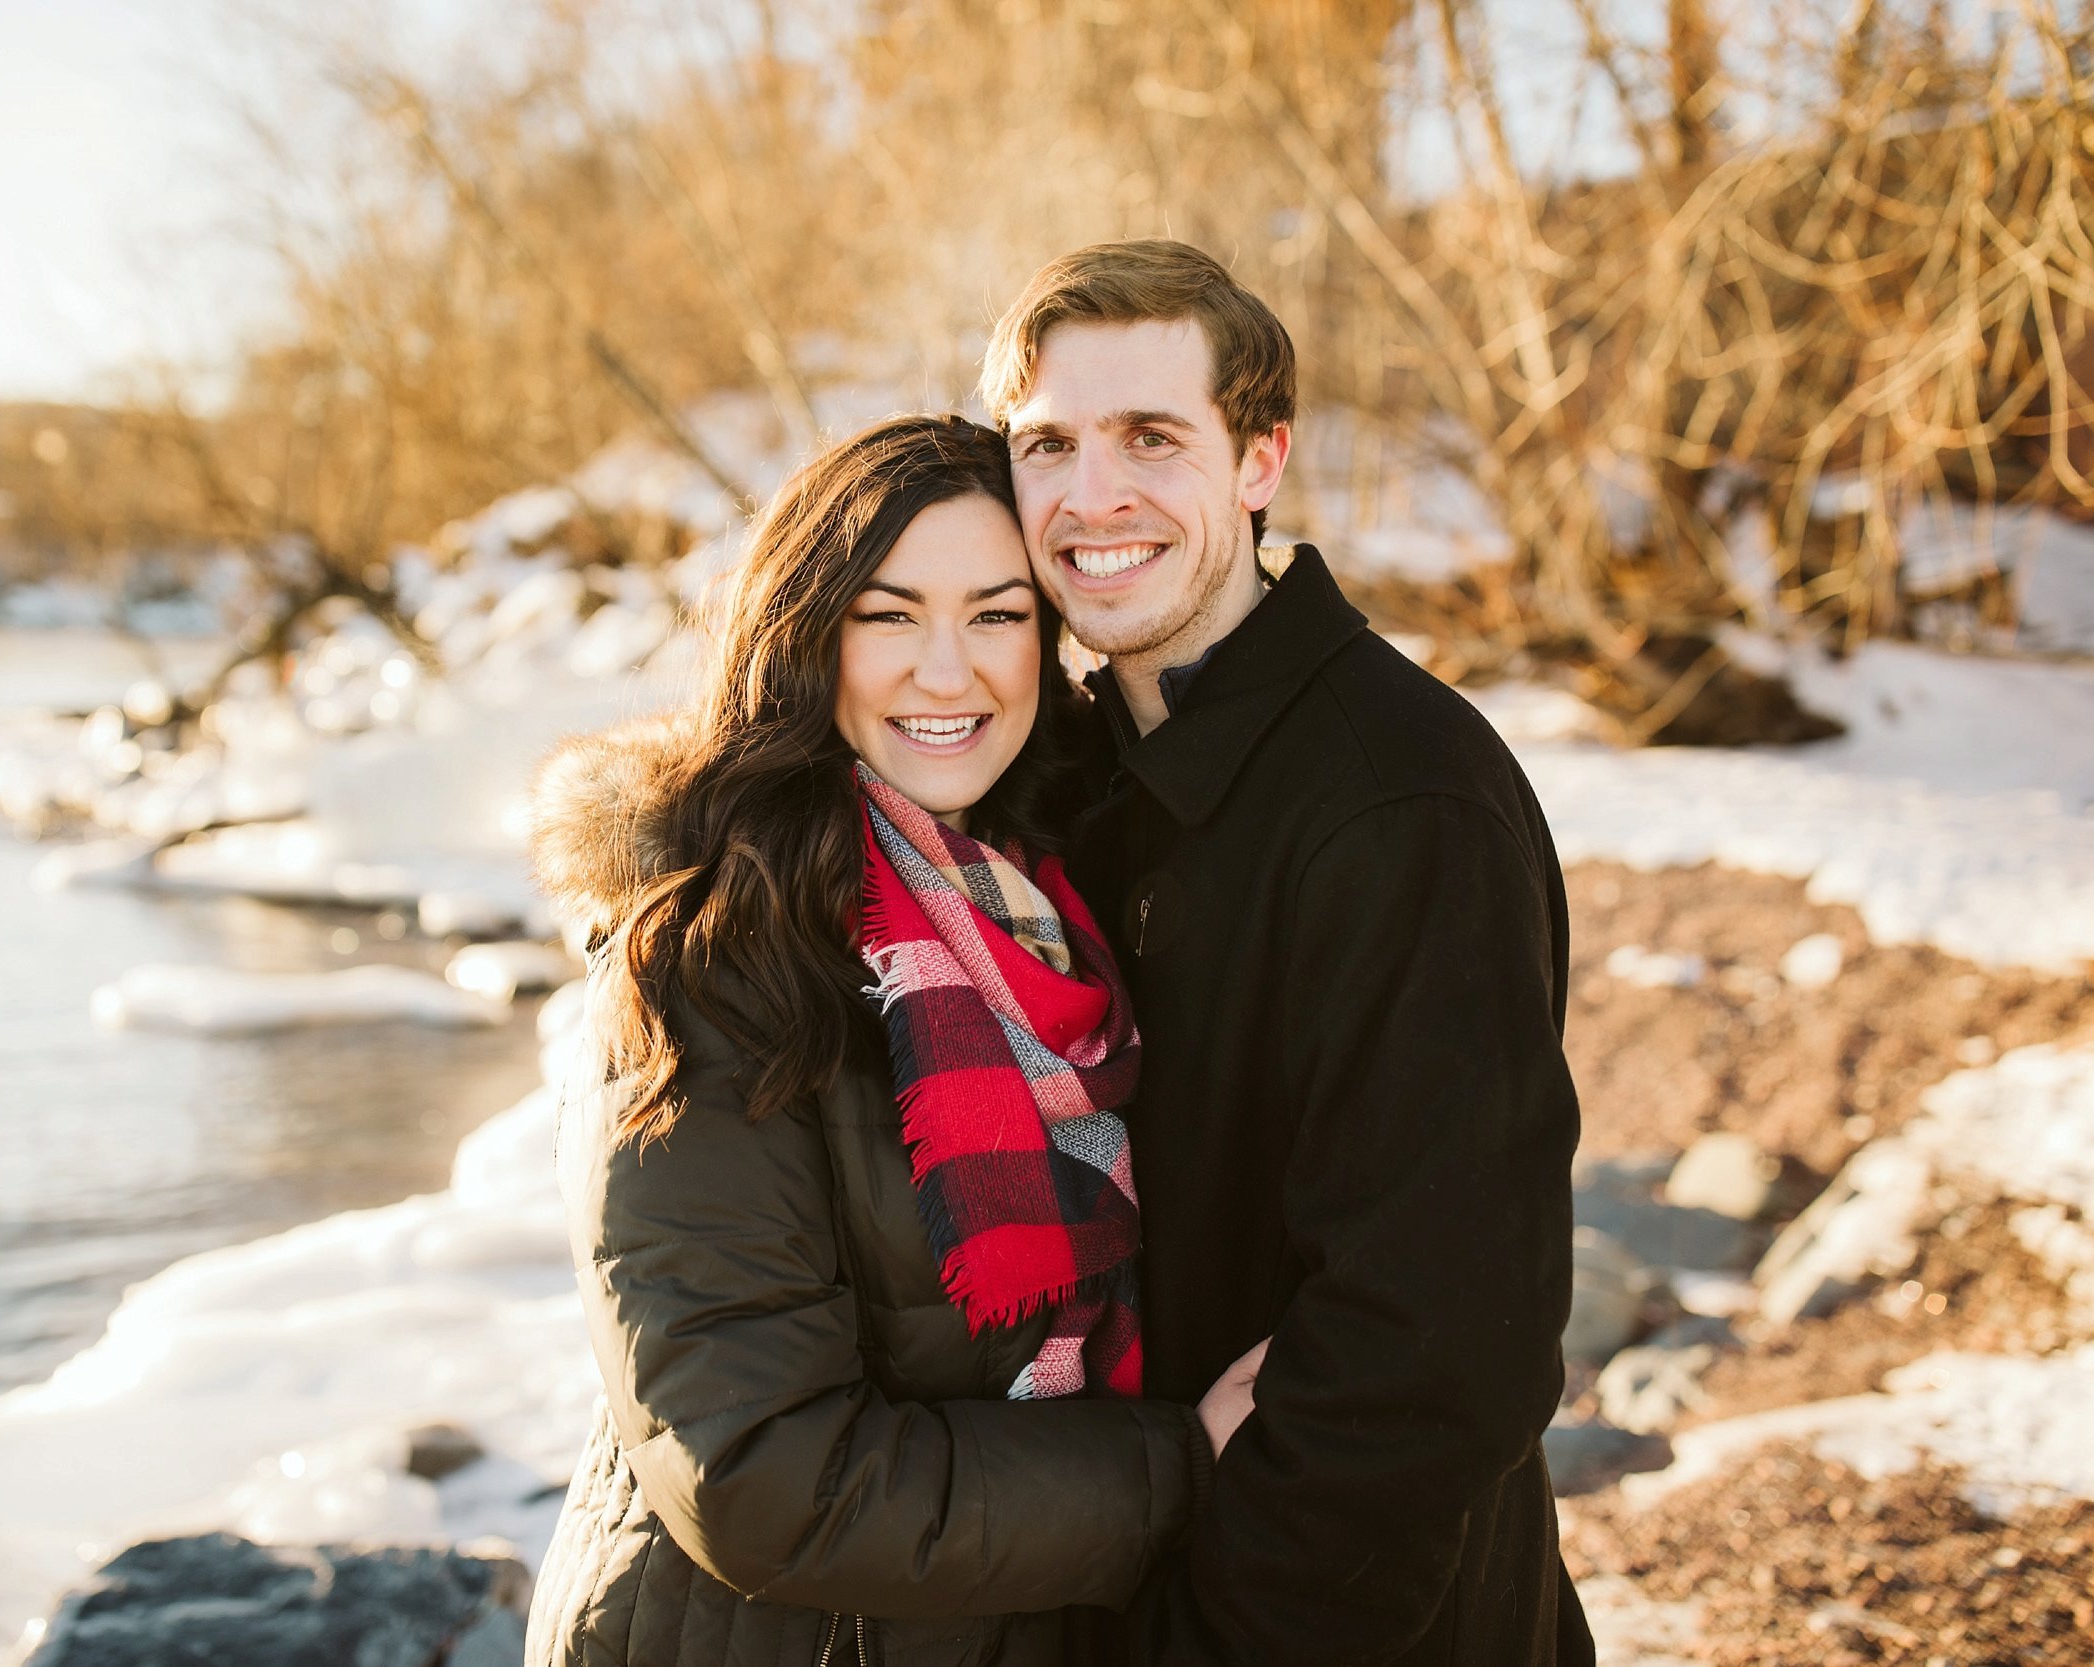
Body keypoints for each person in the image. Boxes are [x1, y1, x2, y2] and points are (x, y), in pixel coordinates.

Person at [523, 414, 1245, 1667]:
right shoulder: (713, 957)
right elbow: (757, 1474)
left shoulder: (1056, 909)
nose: (948, 670)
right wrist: (1175, 1466)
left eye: (998, 614)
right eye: (889, 614)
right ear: (805, 639)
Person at [979, 239, 1594, 1665]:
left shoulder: (1397, 798)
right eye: (1048, 443)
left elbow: (1439, 1341)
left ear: (1261, 461)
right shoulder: (1071, 778)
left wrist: (1213, 1638)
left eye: (1152, 437)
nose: (1093, 495)